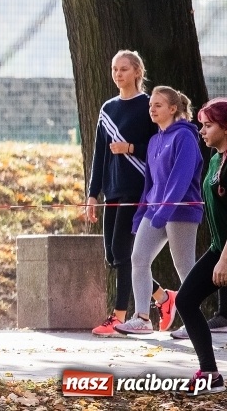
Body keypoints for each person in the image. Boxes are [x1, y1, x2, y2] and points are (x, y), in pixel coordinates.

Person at [85, 50, 165, 337]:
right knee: (112, 254)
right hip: (113, 190)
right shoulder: (108, 109)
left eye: (123, 69)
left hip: (138, 187)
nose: (118, 74)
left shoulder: (148, 106)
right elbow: (98, 156)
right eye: (114, 69)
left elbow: (159, 148)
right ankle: (163, 298)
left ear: (137, 72)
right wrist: (93, 194)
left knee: (122, 252)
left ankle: (117, 316)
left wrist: (130, 148)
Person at [114, 86, 202, 335]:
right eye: (151, 105)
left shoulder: (184, 137)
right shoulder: (154, 141)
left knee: (184, 266)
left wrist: (165, 210)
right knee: (138, 259)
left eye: (158, 105)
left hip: (181, 211)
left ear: (173, 109)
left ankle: (194, 321)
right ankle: (142, 318)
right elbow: (149, 184)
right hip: (155, 210)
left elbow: (180, 179)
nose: (152, 109)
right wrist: (142, 213)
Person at [175, 97, 227, 394]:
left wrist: (224, 261)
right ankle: (210, 373)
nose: (202, 131)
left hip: (225, 253)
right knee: (186, 300)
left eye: (208, 125)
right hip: (220, 247)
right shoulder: (216, 158)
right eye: (201, 125)